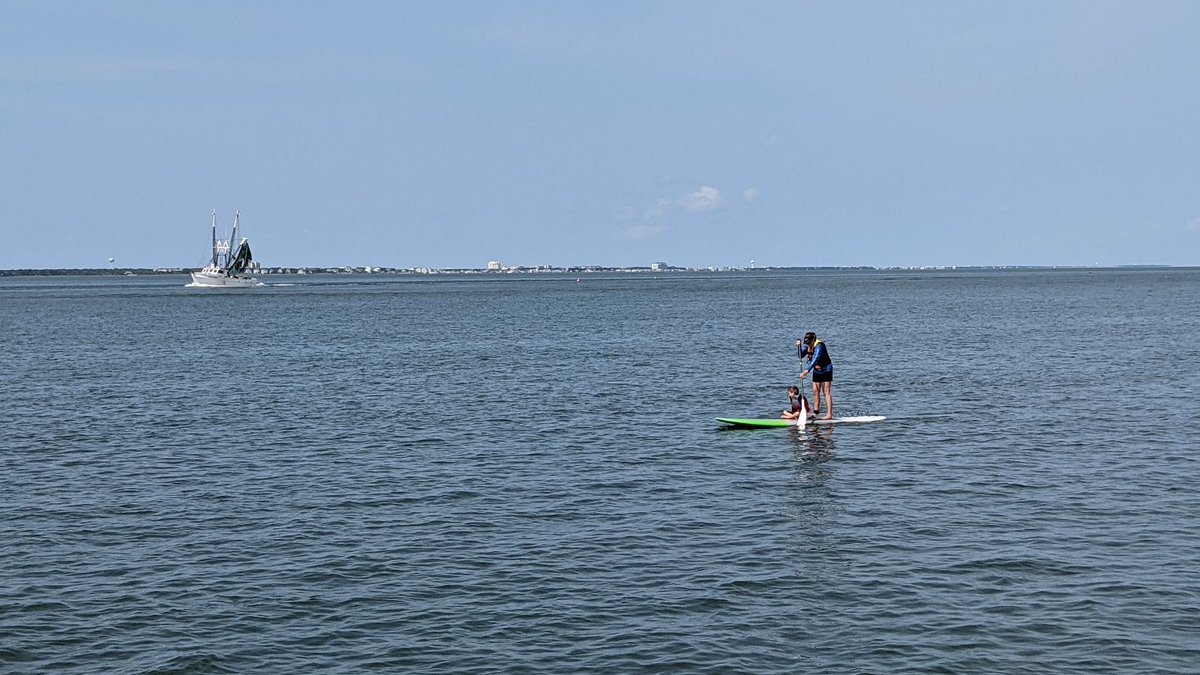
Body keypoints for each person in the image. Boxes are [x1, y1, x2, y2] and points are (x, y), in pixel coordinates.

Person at [797, 331, 833, 420]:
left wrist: (806, 371)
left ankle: (829, 414)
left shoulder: (820, 346)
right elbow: (800, 356)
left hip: (826, 370)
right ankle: (816, 414)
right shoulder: (808, 346)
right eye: (807, 343)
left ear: (813, 339)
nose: (808, 345)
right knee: (815, 392)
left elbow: (815, 359)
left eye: (809, 343)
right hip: (817, 371)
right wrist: (799, 347)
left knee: (826, 392)